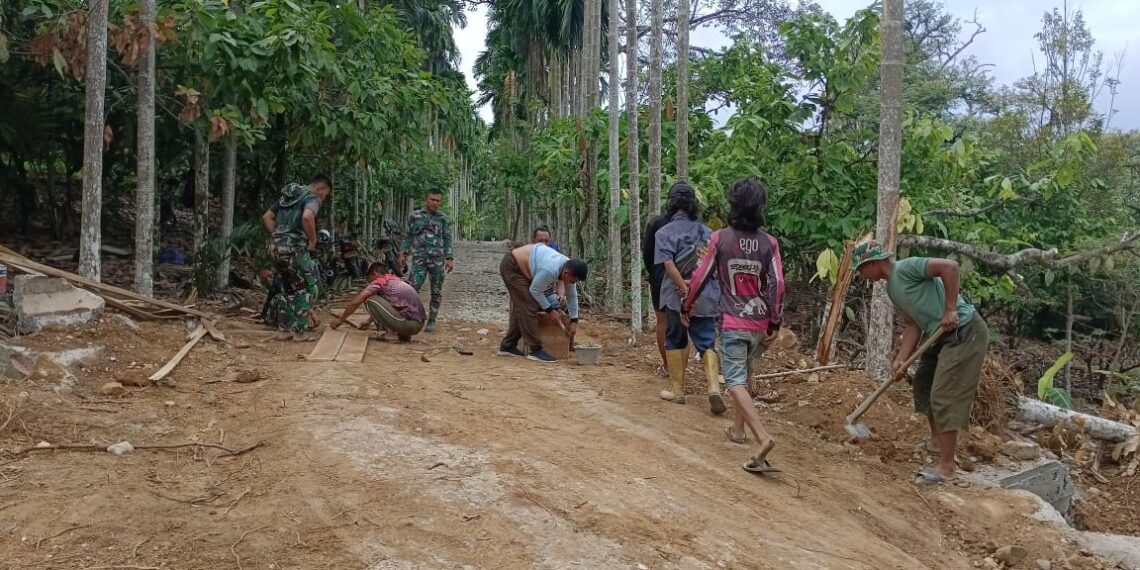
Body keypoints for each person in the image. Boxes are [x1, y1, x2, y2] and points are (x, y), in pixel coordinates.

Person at [851, 241, 989, 485]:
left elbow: (951, 267)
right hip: (941, 336)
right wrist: (900, 359)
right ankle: (937, 443)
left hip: (965, 332)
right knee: (923, 383)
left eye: (861, 270)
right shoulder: (892, 289)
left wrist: (949, 309)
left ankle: (947, 467)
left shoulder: (906, 268)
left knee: (943, 395)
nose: (861, 276)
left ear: (872, 263)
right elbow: (913, 324)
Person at [683, 178, 784, 473]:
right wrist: (775, 321)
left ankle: (761, 437)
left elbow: (700, 277)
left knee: (735, 382)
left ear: (734, 205)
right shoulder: (770, 243)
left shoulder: (720, 239)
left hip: (731, 320)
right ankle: (738, 431)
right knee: (746, 377)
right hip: (759, 322)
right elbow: (777, 284)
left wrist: (687, 304)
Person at [654, 182, 721, 411]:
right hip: (707, 294)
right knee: (706, 341)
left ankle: (677, 391)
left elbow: (668, 264)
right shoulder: (709, 234)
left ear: (671, 205)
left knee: (675, 338)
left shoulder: (663, 233)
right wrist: (695, 287)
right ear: (694, 205)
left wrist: (684, 288)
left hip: (676, 297)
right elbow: (713, 266)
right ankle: (713, 387)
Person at [262, 175, 332, 341]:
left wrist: (279, 237)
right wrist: (313, 241)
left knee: (289, 288)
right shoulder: (312, 197)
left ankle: (284, 330)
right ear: (321, 188)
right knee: (309, 288)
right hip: (295, 250)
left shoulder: (289, 195)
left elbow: (267, 217)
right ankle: (300, 331)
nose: (324, 198)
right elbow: (307, 217)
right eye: (325, 194)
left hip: (275, 249)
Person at [497, 242, 587, 362]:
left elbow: (572, 296)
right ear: (566, 273)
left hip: (526, 268)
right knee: (529, 305)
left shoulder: (569, 270)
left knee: (522, 305)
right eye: (572, 280)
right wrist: (550, 310)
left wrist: (574, 320)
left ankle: (508, 346)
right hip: (513, 266)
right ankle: (536, 349)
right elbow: (535, 290)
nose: (572, 283)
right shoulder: (551, 269)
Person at [400, 189, 454, 332]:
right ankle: (409, 316)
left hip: (437, 260)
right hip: (419, 259)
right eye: (432, 200)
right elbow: (408, 236)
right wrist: (403, 254)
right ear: (426, 199)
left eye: (437, 201)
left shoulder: (442, 218)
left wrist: (449, 258)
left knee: (436, 291)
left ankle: (432, 320)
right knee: (412, 289)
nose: (435, 203)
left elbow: (447, 238)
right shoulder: (415, 216)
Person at [331, 261, 426, 342]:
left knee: (369, 299)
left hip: (409, 324)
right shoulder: (394, 280)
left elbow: (356, 301)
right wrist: (368, 322)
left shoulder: (380, 281)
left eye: (370, 278)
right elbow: (386, 307)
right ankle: (404, 334)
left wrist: (340, 320)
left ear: (375, 274)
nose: (370, 281)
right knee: (380, 299)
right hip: (418, 324)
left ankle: (390, 334)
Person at [642, 212, 671, 376]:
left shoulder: (657, 222)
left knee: (663, 322)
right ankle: (679, 370)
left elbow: (647, 251)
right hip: (686, 280)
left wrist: (653, 273)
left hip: (660, 278)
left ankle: (668, 366)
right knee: (682, 325)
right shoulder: (693, 224)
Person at [532, 226, 565, 304]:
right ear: (533, 241)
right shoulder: (526, 257)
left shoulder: (555, 258)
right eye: (540, 241)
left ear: (550, 242)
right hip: (529, 295)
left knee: (558, 303)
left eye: (546, 241)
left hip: (548, 295)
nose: (543, 244)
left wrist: (561, 295)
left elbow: (560, 281)